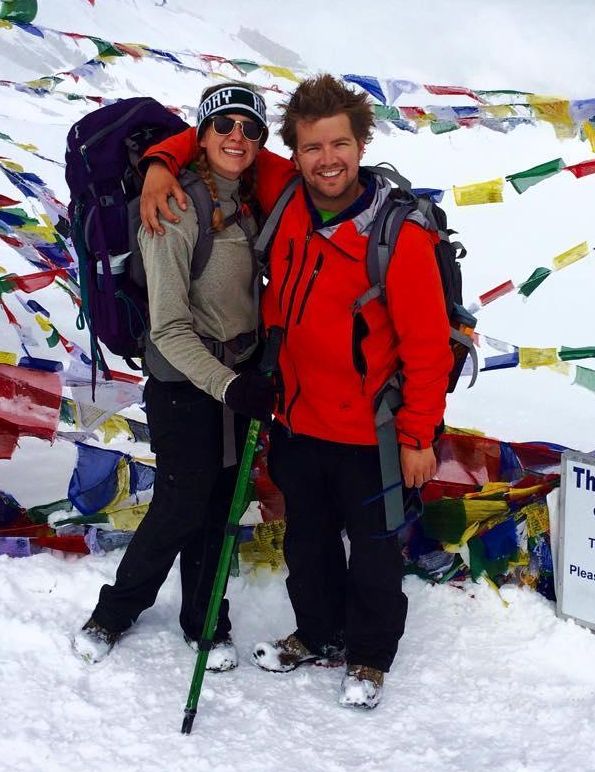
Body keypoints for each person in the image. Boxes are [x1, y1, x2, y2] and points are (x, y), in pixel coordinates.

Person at [136, 74, 452, 709]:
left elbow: (428, 349)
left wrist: (419, 436)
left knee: (374, 550)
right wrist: (159, 164)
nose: (326, 160)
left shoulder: (400, 235)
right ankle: (318, 633)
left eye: (340, 144)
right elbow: (222, 142)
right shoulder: (285, 193)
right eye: (312, 147)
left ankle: (369, 657)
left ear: (361, 145)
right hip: (298, 419)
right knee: (307, 544)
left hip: (372, 430)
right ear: (295, 153)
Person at [72, 83, 276, 669]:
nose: (236, 136)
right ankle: (114, 612)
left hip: (238, 378)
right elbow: (167, 329)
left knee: (221, 506)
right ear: (201, 135)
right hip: (185, 383)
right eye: (223, 125)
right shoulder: (174, 208)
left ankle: (205, 619)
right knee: (181, 506)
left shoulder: (248, 203)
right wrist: (231, 385)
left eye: (250, 128)